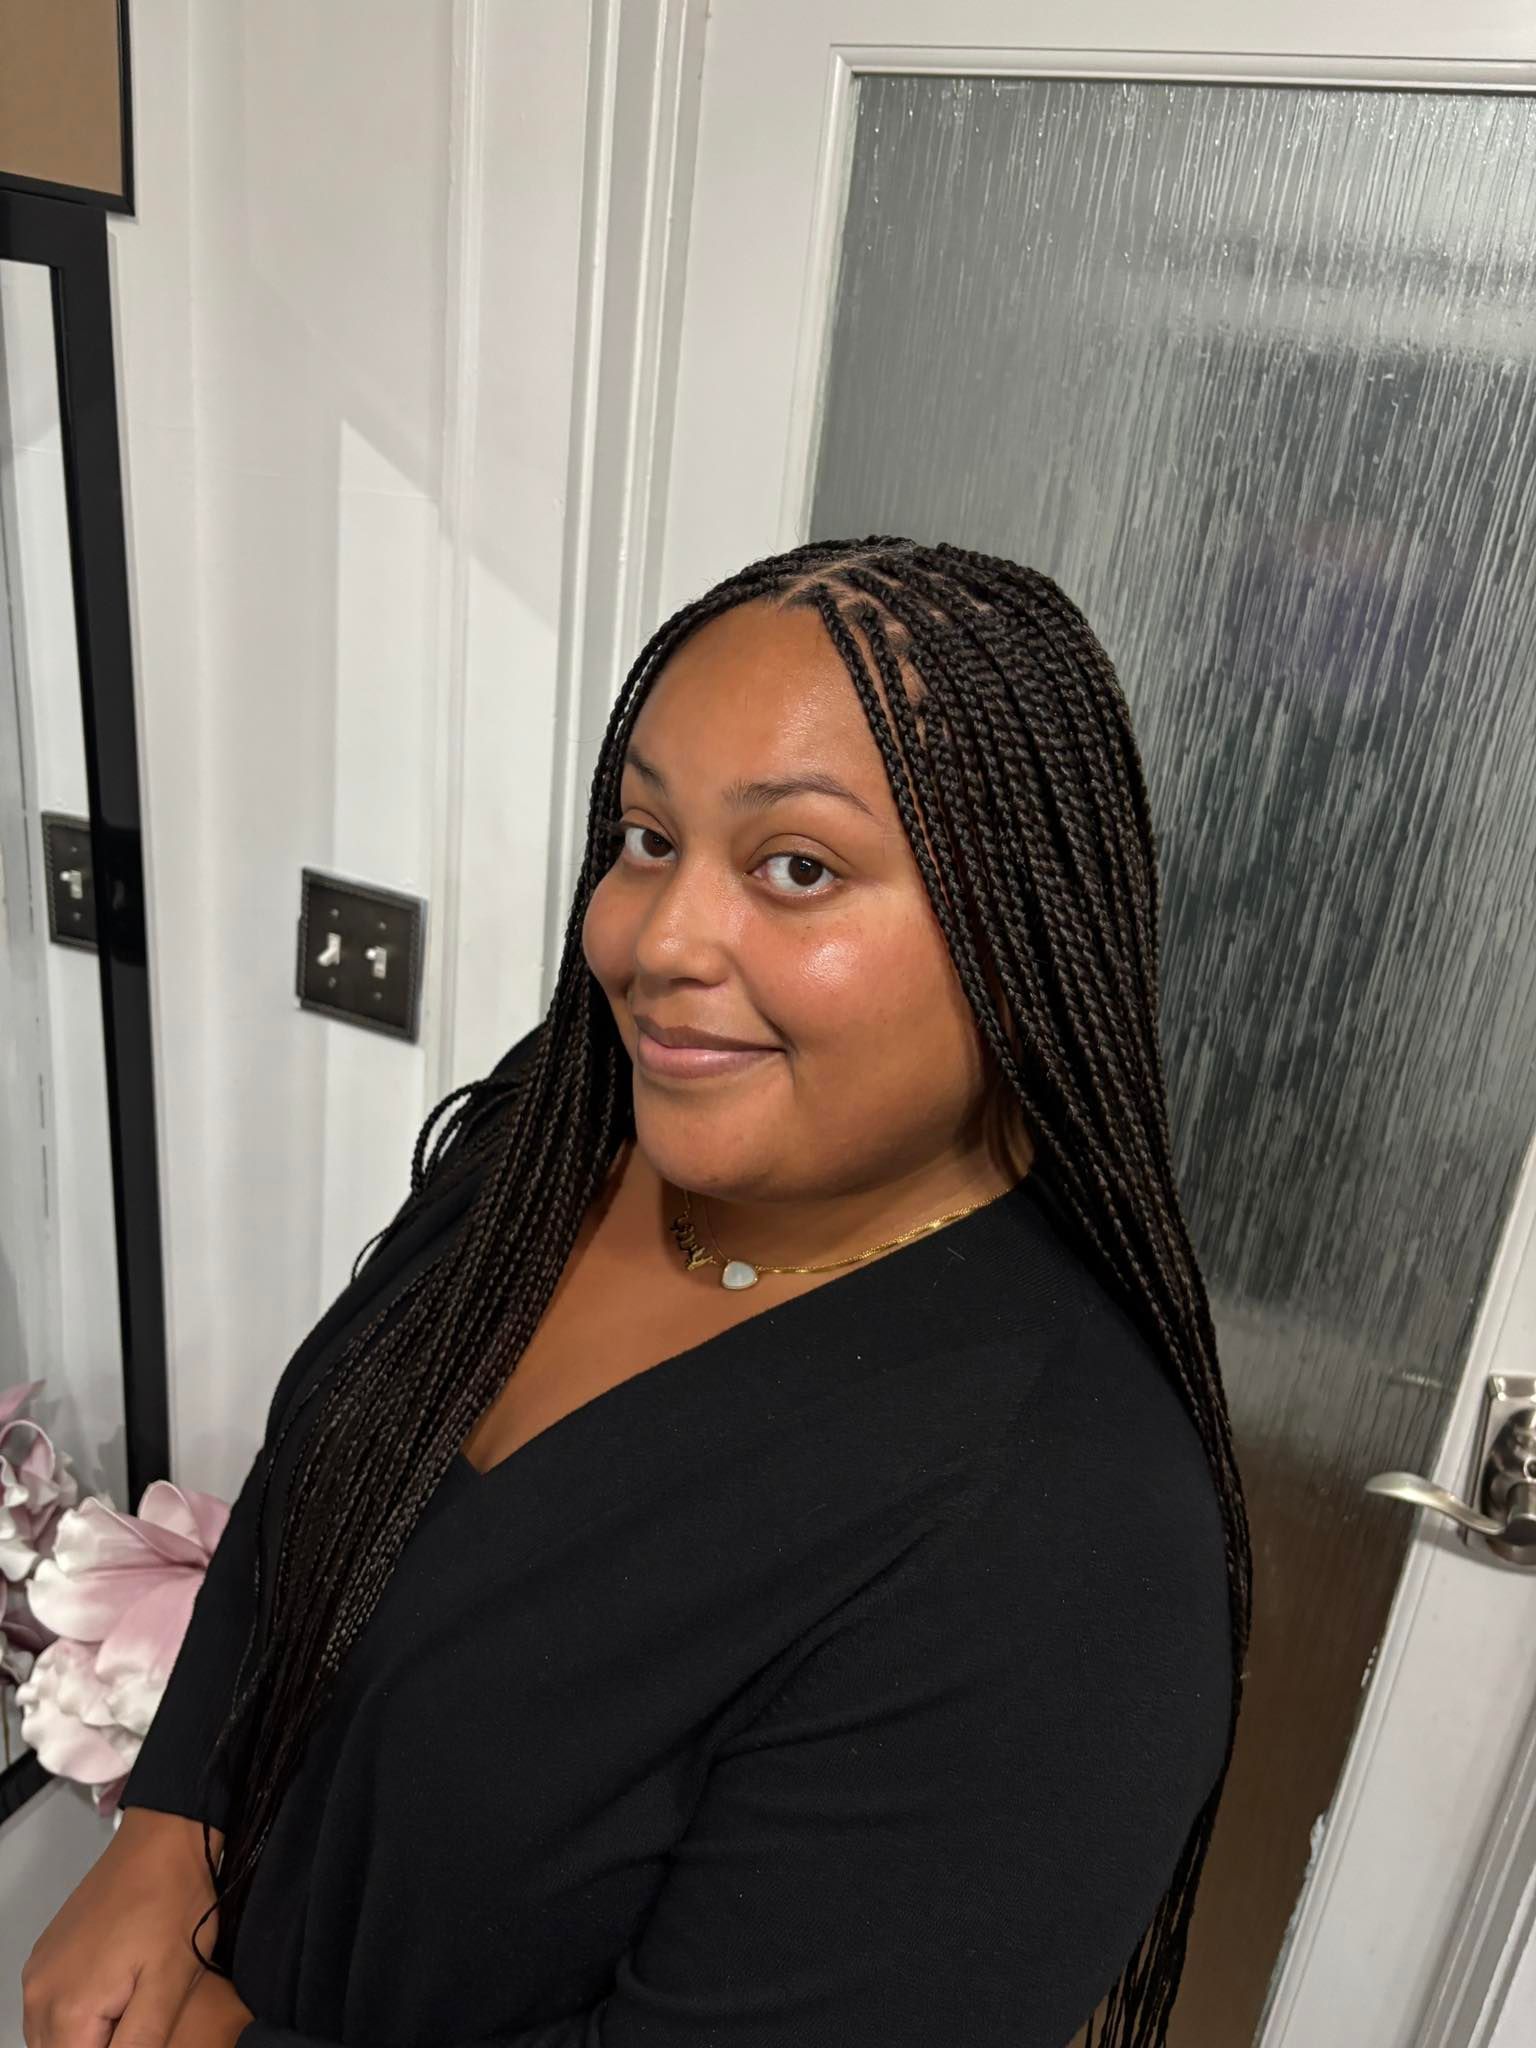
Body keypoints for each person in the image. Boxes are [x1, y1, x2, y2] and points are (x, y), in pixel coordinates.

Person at [22, 536, 1251, 2048]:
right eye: (647, 837)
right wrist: (172, 1828)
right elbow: (321, 1481)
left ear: (1026, 927)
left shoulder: (1067, 1547)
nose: (658, 941)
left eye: (798, 868)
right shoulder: (555, 1136)